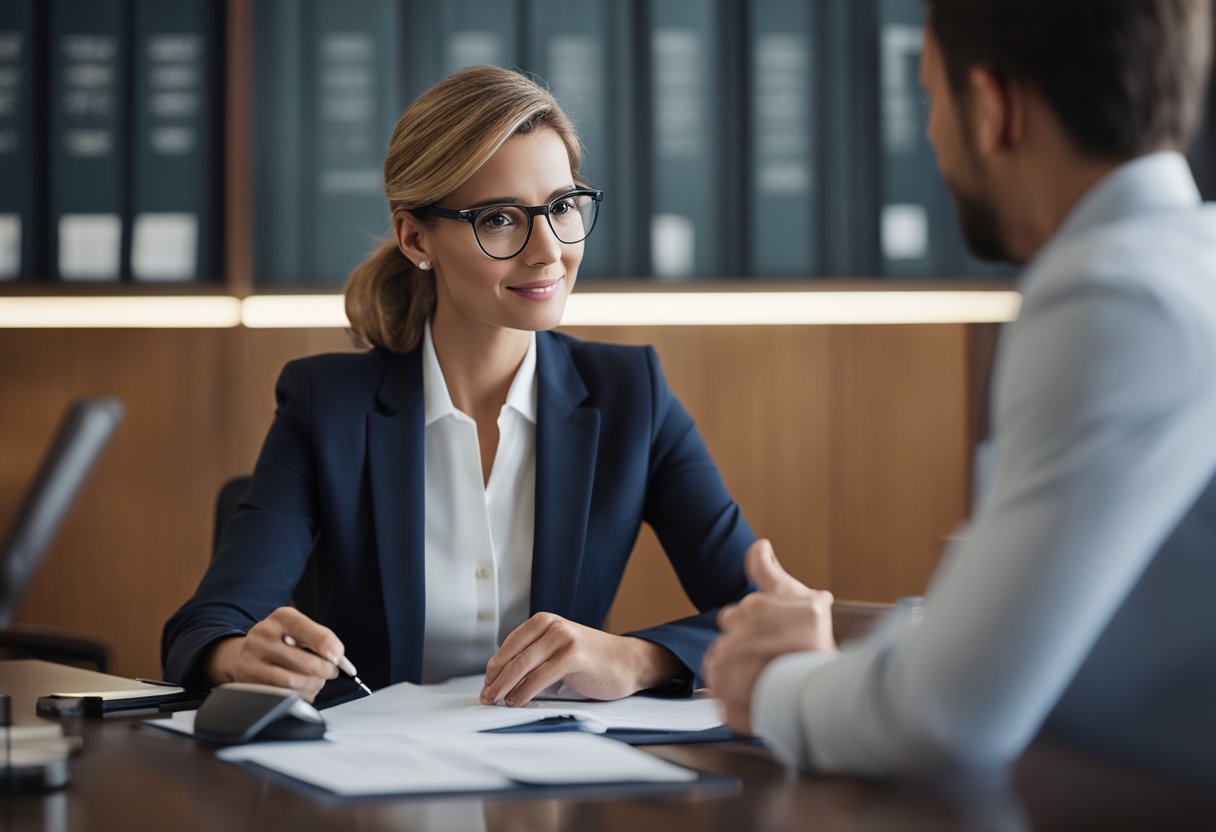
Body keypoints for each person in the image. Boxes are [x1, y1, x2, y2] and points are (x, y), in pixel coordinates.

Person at [706, 0, 1216, 788]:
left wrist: (771, 688)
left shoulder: (1112, 295)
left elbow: (945, 717)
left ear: (993, 107)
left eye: (929, 97)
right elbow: (1082, 620)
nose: (931, 136)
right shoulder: (1191, 262)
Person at [163, 66, 755, 705]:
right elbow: (206, 627)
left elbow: (762, 613)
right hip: (371, 784)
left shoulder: (629, 395)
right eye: (500, 219)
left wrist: (637, 659)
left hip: (558, 782)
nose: (547, 250)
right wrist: (240, 658)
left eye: (561, 207)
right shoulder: (325, 406)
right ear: (416, 237)